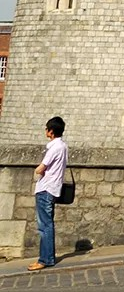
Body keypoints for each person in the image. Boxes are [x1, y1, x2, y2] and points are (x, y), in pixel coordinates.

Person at [28, 116, 67, 272]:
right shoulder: (63, 146)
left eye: (46, 128)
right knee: (47, 224)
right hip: (53, 188)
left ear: (51, 131)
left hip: (46, 188)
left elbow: (41, 168)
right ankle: (47, 257)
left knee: (45, 226)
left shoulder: (54, 147)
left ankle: (45, 259)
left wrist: (37, 170)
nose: (45, 131)